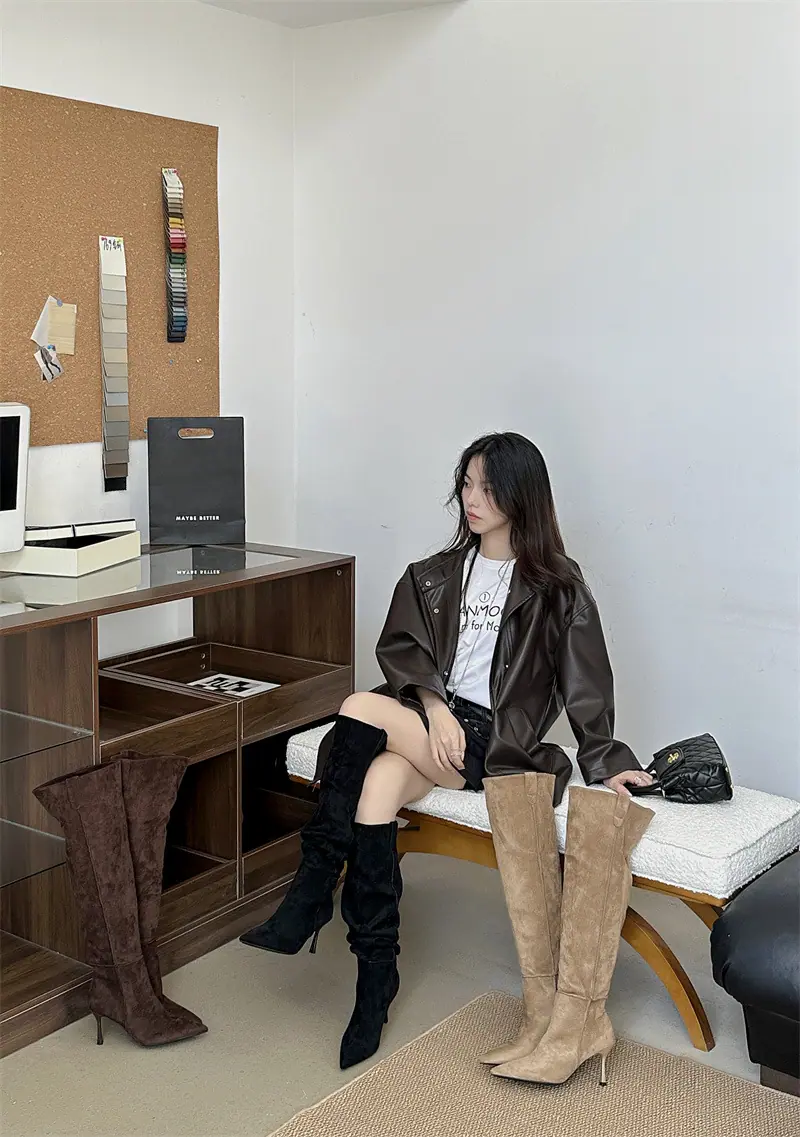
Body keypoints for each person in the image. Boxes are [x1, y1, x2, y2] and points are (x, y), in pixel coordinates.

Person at [240, 432, 654, 1080]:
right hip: (430, 721)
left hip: (491, 739)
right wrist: (433, 707)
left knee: (357, 706)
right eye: (466, 483)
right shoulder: (434, 574)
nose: (472, 498)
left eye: (487, 487)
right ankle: (375, 981)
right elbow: (403, 651)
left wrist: (605, 757)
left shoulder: (557, 586)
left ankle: (312, 890)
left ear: (521, 494)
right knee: (378, 786)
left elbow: (586, 682)